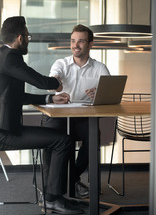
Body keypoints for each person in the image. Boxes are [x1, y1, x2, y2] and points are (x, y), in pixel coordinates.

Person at [0, 16, 83, 214]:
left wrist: (49, 99)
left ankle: (52, 195)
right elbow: (37, 80)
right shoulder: (11, 57)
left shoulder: (1, 55)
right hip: (2, 132)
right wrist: (55, 83)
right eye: (27, 36)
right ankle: (53, 198)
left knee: (56, 139)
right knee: (63, 141)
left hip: (0, 128)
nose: (28, 39)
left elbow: (17, 96)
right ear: (20, 38)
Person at [42, 24, 110, 198]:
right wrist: (55, 82)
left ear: (90, 44)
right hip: (59, 116)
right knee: (52, 137)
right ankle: (50, 189)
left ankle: (71, 178)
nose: (75, 45)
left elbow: (110, 96)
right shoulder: (61, 64)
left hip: (83, 118)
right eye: (73, 41)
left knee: (94, 135)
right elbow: (54, 77)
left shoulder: (100, 68)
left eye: (81, 41)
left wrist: (100, 94)